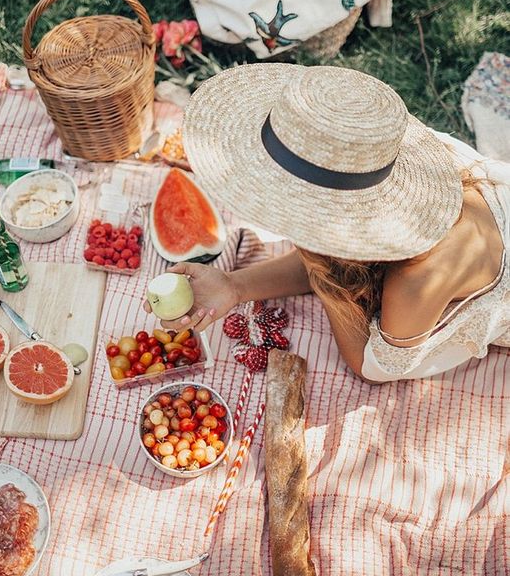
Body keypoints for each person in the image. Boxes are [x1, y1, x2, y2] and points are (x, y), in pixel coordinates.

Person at [146, 65, 510, 382]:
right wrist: (233, 286)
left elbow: (373, 366)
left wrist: (329, 282)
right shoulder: (384, 157)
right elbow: (332, 255)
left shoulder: (418, 279)